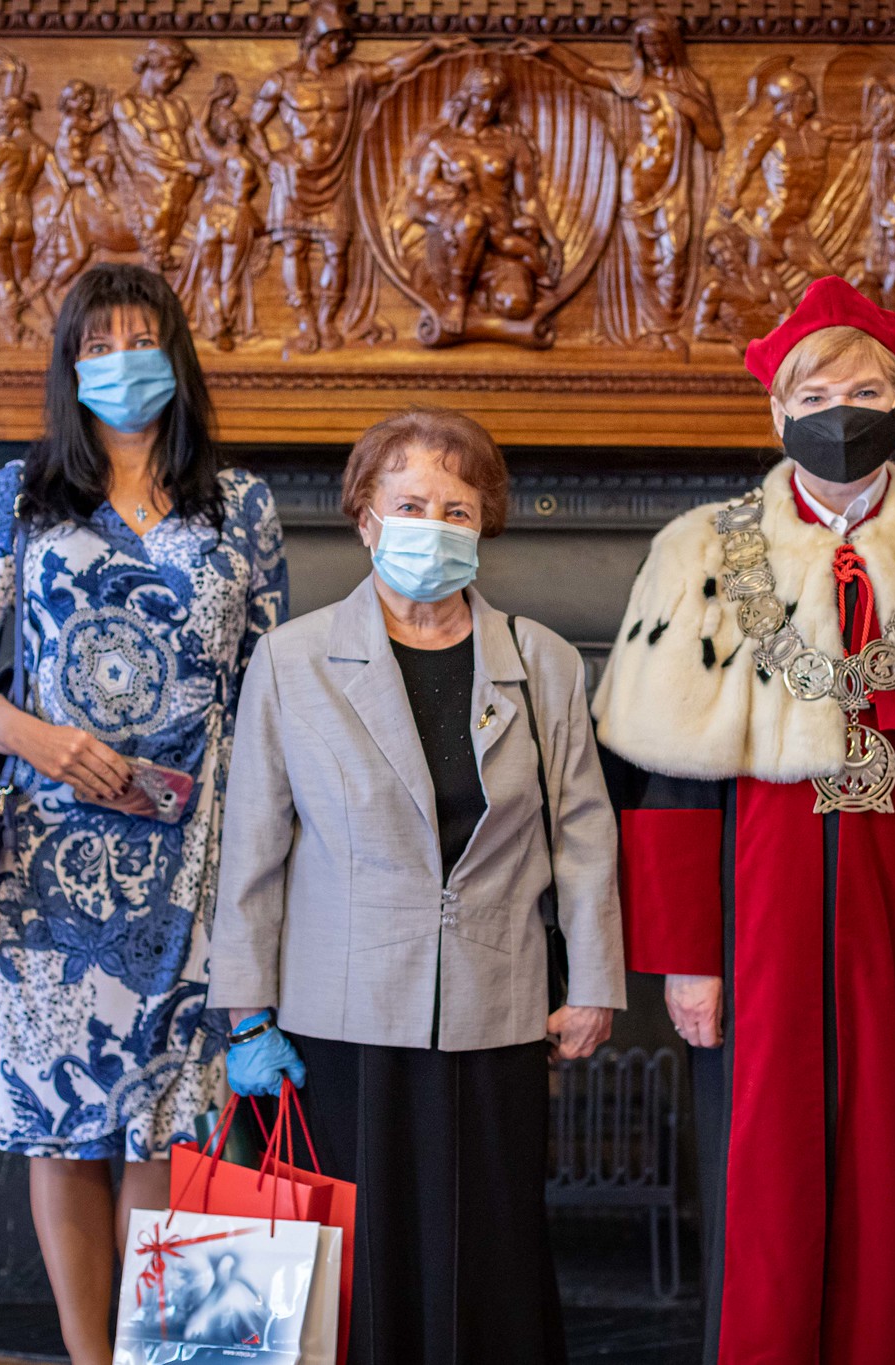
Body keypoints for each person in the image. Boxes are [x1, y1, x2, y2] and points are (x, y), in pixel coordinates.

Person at [592, 275, 895, 1364]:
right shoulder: (697, 554)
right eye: (815, 394)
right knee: (756, 1186)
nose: (840, 412)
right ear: (776, 409)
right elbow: (668, 781)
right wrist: (686, 958)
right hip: (750, 931)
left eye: (865, 390)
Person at [0, 263, 284, 1365]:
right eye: (98, 342)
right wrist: (45, 741)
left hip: (200, 869)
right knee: (64, 1136)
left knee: (181, 1135)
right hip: (49, 880)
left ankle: (171, 1359)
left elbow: (269, 690)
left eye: (142, 338)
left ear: (177, 356)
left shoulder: (242, 506)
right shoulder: (18, 499)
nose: (123, 361)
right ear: (70, 367)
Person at [208, 405, 626, 1365]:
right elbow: (253, 849)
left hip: (498, 1010)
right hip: (337, 1021)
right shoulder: (292, 660)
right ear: (366, 519)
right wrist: (244, 1016)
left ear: (483, 528)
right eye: (409, 504)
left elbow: (584, 834)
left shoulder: (544, 662)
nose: (432, 525)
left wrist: (597, 980)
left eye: (456, 509)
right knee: (351, 1267)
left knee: (492, 1256)